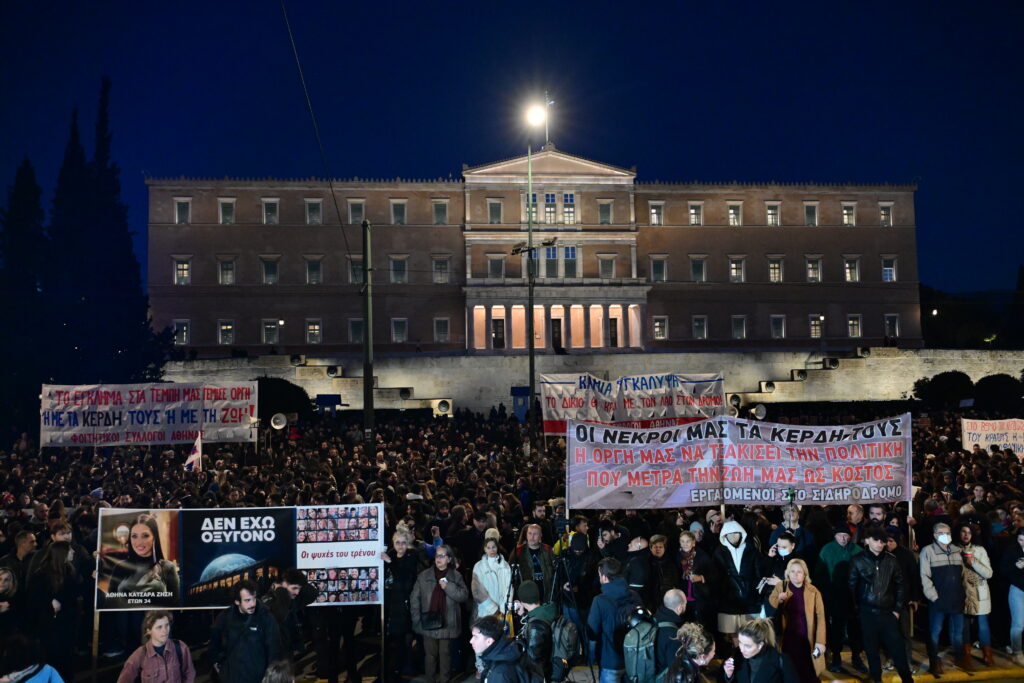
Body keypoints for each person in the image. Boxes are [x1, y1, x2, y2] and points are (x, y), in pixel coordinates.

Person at [848, 529, 913, 683]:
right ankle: (877, 679)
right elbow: (851, 587)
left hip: (887, 612)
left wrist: (897, 610)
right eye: (876, 540)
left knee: (897, 649)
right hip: (867, 612)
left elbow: (900, 585)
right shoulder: (857, 560)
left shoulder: (891, 560)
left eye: (882, 541)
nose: (879, 544)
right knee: (871, 650)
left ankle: (907, 679)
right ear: (867, 540)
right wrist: (857, 610)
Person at [410, 543, 469, 683]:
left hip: (447, 622)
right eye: (437, 555)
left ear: (449, 559)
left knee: (445, 655)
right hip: (428, 621)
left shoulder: (456, 576)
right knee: (430, 656)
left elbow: (463, 596)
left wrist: (448, 587)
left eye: (442, 556)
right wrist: (417, 620)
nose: (438, 558)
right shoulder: (424, 576)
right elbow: (414, 599)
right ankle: (430, 680)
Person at [26, 541, 81, 683]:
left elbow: (74, 593)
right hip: (50, 626)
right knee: (53, 657)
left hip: (66, 624)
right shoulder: (41, 575)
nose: (73, 552)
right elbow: (32, 600)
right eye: (69, 550)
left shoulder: (69, 570)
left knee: (66, 657)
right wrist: (48, 602)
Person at [209, 579, 282, 683]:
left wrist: (271, 677)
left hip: (258, 678)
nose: (252, 604)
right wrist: (218, 664)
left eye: (254, 598)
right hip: (232, 678)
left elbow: (274, 649)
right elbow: (214, 643)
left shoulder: (266, 618)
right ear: (237, 601)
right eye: (247, 600)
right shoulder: (225, 618)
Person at [104, 513, 180, 608]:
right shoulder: (120, 566)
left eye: (145, 536)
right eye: (134, 536)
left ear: (154, 538)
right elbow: (109, 604)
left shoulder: (167, 568)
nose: (139, 542)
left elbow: (176, 606)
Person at [815, 526, 863, 673]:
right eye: (840, 535)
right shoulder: (827, 550)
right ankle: (836, 657)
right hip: (834, 597)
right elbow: (819, 576)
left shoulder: (857, 550)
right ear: (835, 536)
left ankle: (856, 657)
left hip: (854, 598)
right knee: (837, 629)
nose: (843, 538)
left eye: (846, 535)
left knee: (856, 630)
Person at [920, 521, 966, 675]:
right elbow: (924, 577)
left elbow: (963, 574)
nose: (945, 536)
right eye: (941, 533)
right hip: (938, 599)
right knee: (935, 631)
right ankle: (934, 661)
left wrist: (964, 592)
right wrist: (934, 597)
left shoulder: (957, 551)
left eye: (948, 533)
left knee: (958, 631)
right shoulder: (927, 551)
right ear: (935, 535)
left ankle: (960, 658)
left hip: (957, 598)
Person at [768, 558, 824, 683]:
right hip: (787, 637)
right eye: (792, 571)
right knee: (789, 669)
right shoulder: (781, 586)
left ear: (805, 574)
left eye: (799, 571)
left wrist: (820, 642)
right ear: (788, 573)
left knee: (808, 671)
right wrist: (779, 600)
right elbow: (771, 604)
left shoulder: (814, 591)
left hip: (806, 638)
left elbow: (821, 618)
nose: (795, 574)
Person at [712, 521, 764, 645]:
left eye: (736, 533)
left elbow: (759, 574)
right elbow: (716, 577)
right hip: (729, 600)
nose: (733, 537)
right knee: (733, 636)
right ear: (725, 536)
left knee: (751, 635)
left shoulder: (752, 551)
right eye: (730, 534)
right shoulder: (719, 552)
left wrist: (757, 593)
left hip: (751, 599)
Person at [116, 610, 196, 683]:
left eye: (167, 625)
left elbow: (189, 673)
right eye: (159, 627)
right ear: (149, 631)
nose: (165, 631)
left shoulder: (181, 647)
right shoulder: (139, 655)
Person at [383, 528, 419, 682]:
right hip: (392, 604)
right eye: (398, 543)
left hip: (406, 603)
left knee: (407, 637)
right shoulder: (389, 555)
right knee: (395, 639)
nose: (400, 546)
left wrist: (390, 562)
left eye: (403, 543)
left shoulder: (411, 556)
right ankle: (395, 668)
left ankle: (405, 666)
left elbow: (405, 573)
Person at [956, 521, 993, 668]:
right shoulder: (953, 549)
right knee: (964, 625)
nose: (966, 535)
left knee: (982, 624)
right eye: (963, 532)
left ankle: (987, 654)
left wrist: (973, 562)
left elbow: (989, 573)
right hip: (962, 592)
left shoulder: (980, 550)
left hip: (980, 592)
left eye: (969, 532)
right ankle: (966, 655)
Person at [720, 618, 797, 683]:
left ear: (760, 645)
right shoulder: (736, 655)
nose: (742, 649)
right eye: (740, 642)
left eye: (747, 646)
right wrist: (729, 676)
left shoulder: (781, 660)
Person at [471, 615, 541, 682]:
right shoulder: (509, 649)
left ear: (489, 641)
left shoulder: (499, 673)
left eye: (475, 637)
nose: (471, 641)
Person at [514, 580, 555, 679]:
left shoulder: (536, 626)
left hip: (540, 675)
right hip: (548, 666)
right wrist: (523, 614)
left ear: (522, 602)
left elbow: (533, 660)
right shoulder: (547, 611)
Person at [510, 524, 555, 603]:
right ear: (526, 534)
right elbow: (510, 575)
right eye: (530, 533)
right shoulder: (518, 552)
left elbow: (555, 572)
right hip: (526, 596)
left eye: (535, 534)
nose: (532, 537)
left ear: (541, 535)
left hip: (546, 595)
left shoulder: (548, 550)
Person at [472, 535, 512, 619]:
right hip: (486, 612)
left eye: (494, 547)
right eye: (488, 547)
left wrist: (505, 608)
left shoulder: (505, 565)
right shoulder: (479, 566)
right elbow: (477, 590)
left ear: (497, 548)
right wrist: (493, 609)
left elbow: (510, 587)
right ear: (484, 549)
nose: (492, 550)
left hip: (504, 612)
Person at [1000, 527, 1024, 666]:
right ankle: (1017, 652)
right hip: (1017, 589)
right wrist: (1016, 566)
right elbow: (1002, 570)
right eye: (1021, 540)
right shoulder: (1012, 551)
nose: (1023, 544)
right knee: (1018, 624)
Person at [655, 589, 688, 678]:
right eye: (685, 604)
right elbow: (674, 669)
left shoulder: (654, 619)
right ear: (680, 607)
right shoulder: (673, 635)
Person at [0, 566, 25, 640]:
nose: (2, 582)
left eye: (6, 580)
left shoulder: (15, 601)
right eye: (0, 579)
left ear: (11, 582)